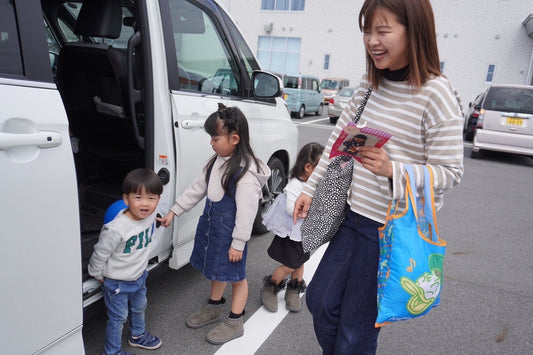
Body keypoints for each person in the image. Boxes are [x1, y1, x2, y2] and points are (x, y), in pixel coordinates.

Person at [293, 0, 464, 353]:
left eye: (383, 31)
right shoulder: (369, 85)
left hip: (389, 230)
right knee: (321, 304)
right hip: (352, 218)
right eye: (367, 31)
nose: (372, 40)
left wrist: (393, 170)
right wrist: (311, 187)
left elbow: (450, 173)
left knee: (356, 330)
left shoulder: (435, 93)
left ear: (413, 31)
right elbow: (338, 143)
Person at [158, 103, 270, 344]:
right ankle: (214, 306)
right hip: (213, 229)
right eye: (211, 137)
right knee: (218, 271)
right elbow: (197, 189)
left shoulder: (245, 173)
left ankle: (235, 320)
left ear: (235, 138)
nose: (211, 142)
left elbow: (247, 213)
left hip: (231, 235)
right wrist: (174, 211)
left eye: (215, 137)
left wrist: (238, 243)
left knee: (237, 276)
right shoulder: (215, 161)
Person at [88, 168, 164, 355]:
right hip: (117, 283)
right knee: (118, 318)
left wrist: (161, 221)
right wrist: (97, 274)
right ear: (126, 199)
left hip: (139, 276)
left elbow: (154, 219)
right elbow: (100, 253)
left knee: (140, 307)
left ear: (158, 200)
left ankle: (137, 336)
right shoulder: (116, 229)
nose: (145, 204)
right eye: (138, 198)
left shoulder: (151, 215)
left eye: (151, 198)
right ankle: (112, 352)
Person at [261, 142, 325, 313]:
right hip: (292, 234)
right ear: (308, 167)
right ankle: (271, 285)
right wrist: (310, 209)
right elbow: (291, 209)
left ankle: (294, 288)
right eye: (321, 168)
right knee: (289, 265)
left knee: (301, 262)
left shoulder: (316, 185)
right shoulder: (295, 186)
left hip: (304, 234)